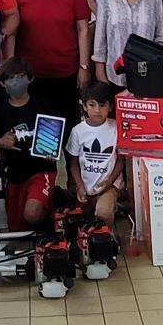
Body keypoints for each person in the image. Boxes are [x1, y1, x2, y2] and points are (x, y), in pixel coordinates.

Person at [11, 0, 92, 111]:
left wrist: (84, 67)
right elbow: (10, 31)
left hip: (67, 73)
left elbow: (83, 29)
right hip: (30, 75)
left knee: (66, 125)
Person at [0, 58, 57, 231]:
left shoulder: (42, 105)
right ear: (3, 83)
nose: (16, 81)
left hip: (42, 169)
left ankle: (52, 213)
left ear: (30, 78)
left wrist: (52, 151)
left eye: (21, 76)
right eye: (11, 78)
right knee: (17, 230)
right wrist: (0, 142)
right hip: (15, 175)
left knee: (31, 213)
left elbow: (55, 139)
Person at [66, 83, 124, 227]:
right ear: (84, 106)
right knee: (79, 217)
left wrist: (109, 183)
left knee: (103, 213)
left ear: (110, 107)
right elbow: (73, 162)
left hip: (109, 184)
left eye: (102, 105)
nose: (97, 110)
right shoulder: (77, 131)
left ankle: (108, 240)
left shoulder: (116, 128)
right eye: (92, 105)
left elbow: (121, 160)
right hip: (86, 186)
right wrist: (80, 186)